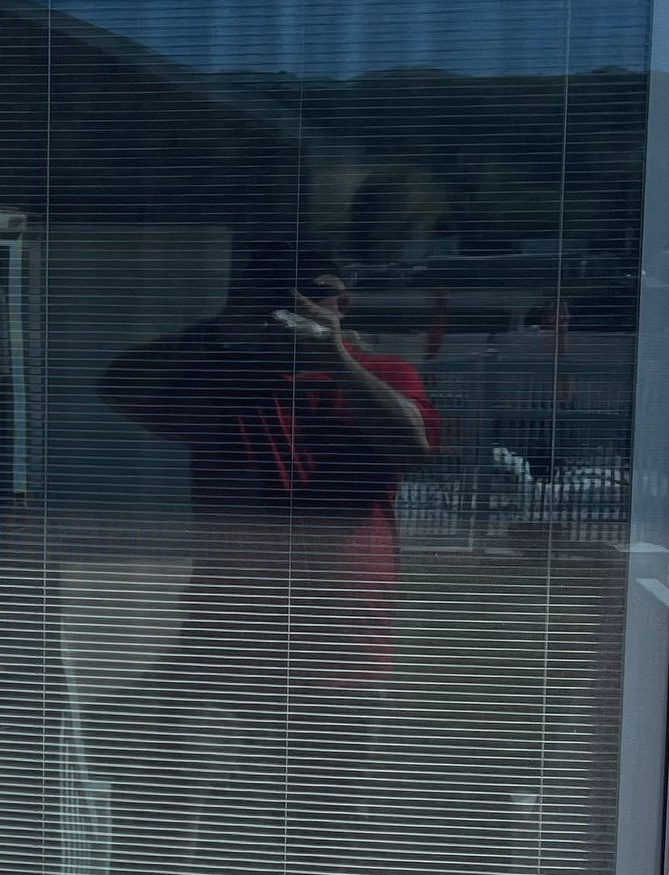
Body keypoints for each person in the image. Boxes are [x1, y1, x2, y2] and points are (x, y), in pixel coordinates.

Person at [100, 244, 436, 691]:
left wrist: (336, 359)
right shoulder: (229, 375)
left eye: (315, 293)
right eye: (279, 293)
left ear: (344, 304)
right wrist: (220, 328)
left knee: (327, 745)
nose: (298, 305)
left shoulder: (383, 373)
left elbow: (413, 448)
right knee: (204, 748)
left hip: (336, 611)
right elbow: (118, 386)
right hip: (231, 608)